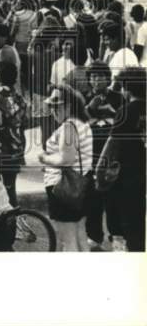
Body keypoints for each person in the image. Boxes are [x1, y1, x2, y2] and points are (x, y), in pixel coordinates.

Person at [38, 84, 94, 251]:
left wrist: (45, 159)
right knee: (80, 235)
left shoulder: (68, 127)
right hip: (81, 184)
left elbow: (66, 159)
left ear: (69, 106)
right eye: (52, 106)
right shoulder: (82, 124)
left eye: (57, 106)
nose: (53, 110)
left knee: (66, 240)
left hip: (63, 188)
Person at [100, 67, 146, 252]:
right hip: (143, 175)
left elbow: (112, 147)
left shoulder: (125, 111)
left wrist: (100, 175)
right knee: (139, 226)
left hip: (125, 177)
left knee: (123, 225)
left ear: (127, 89)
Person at [85, 62, 125, 250]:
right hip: (91, 155)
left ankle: (117, 235)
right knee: (93, 198)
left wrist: (111, 111)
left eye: (101, 76)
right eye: (93, 76)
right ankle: (94, 237)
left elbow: (125, 123)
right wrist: (89, 108)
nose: (97, 80)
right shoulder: (84, 98)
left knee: (114, 197)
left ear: (108, 78)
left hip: (112, 155)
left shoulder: (118, 98)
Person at [0, 61, 27, 206]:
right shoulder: (20, 100)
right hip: (15, 148)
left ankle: (1, 225)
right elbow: (23, 123)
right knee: (11, 190)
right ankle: (13, 224)